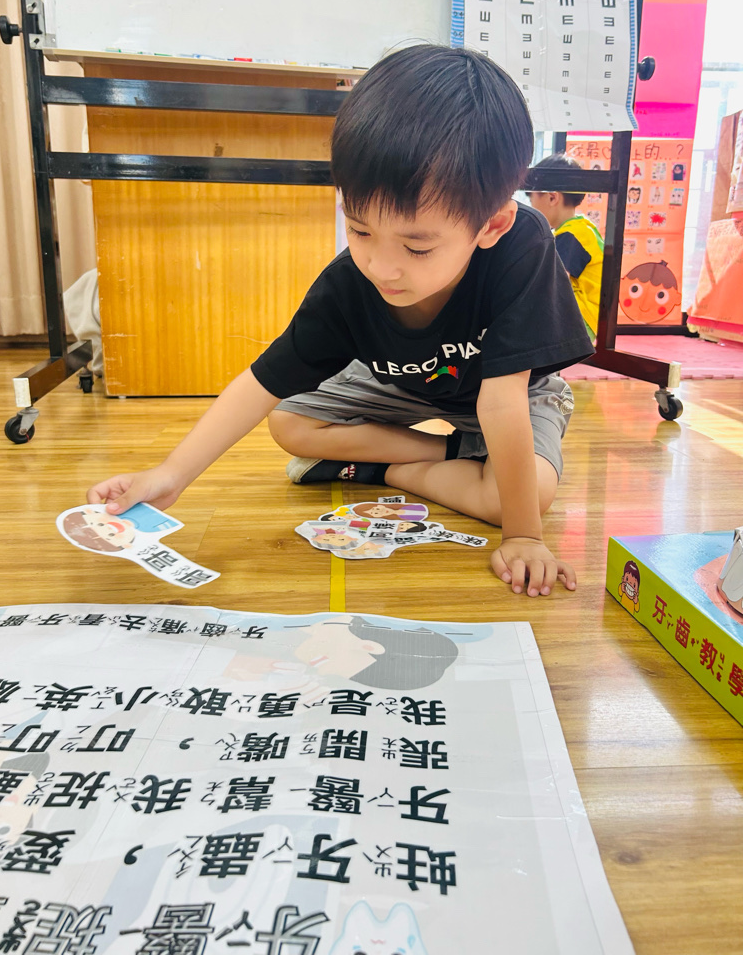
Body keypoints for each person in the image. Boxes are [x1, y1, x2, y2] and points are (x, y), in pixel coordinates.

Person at [87, 45, 593, 597]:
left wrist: (523, 537)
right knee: (290, 422)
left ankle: (389, 468)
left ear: (491, 225)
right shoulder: (349, 282)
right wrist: (170, 475)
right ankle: (450, 454)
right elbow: (260, 383)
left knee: (526, 497)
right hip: (405, 382)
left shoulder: (523, 247)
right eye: (359, 230)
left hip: (511, 392)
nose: (380, 267)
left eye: (417, 247)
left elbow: (501, 402)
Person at [526, 153, 604, 342]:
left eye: (532, 200)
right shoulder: (581, 228)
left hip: (579, 320)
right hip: (587, 318)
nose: (531, 208)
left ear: (552, 198)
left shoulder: (571, 235)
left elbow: (552, 282)